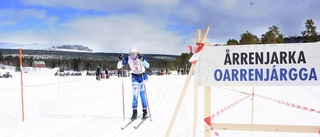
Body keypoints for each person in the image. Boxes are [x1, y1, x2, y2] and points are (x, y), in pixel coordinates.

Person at [117, 46, 150, 120]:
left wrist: (143, 60)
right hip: (135, 77)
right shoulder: (128, 58)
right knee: (135, 95)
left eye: (133, 54)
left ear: (136, 53)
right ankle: (134, 113)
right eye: (130, 54)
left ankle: (145, 111)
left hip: (142, 76)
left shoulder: (140, 57)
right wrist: (120, 60)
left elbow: (148, 66)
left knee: (142, 95)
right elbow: (119, 67)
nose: (132, 56)